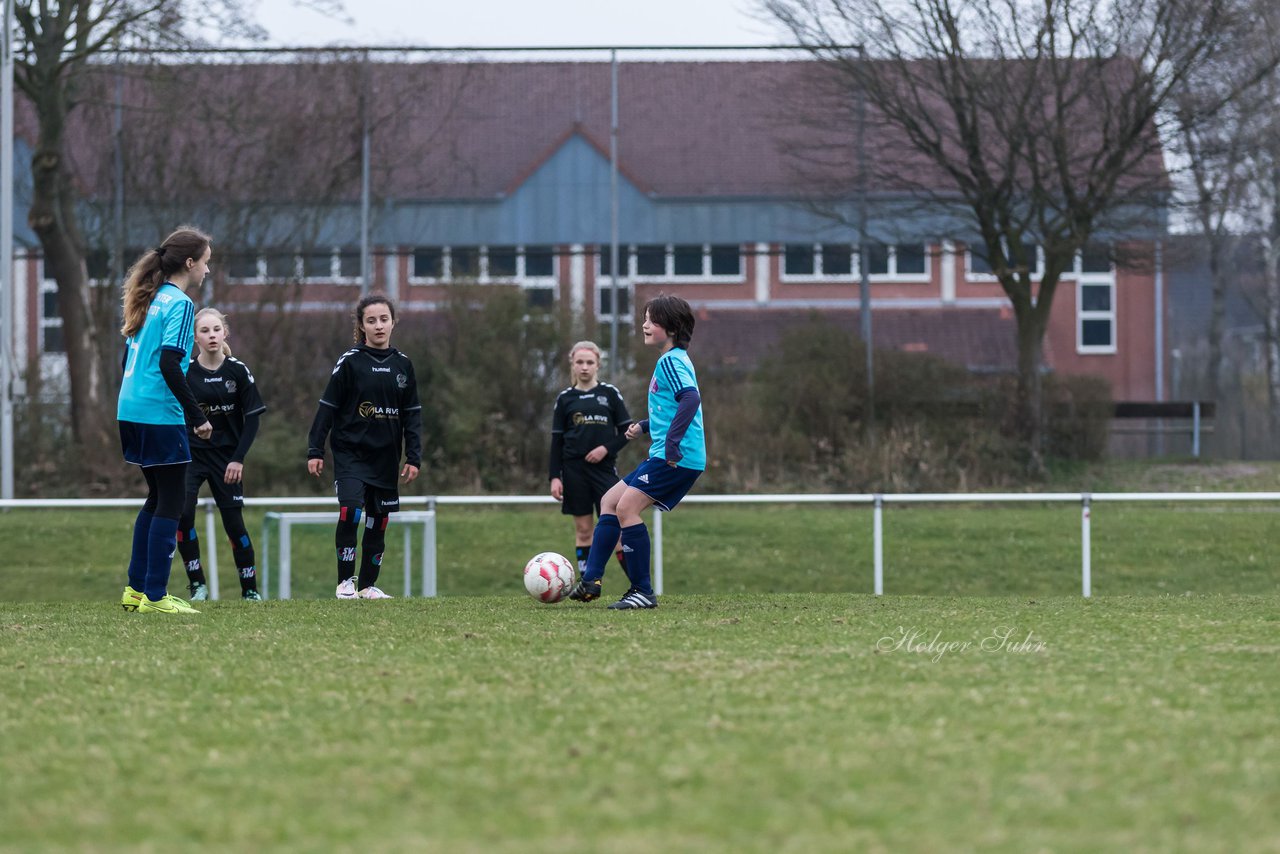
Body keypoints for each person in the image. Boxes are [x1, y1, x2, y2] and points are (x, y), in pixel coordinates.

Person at [568, 294, 706, 609]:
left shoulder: (671, 360)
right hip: (667, 452)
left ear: (670, 327)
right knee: (609, 501)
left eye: (651, 320)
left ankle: (642, 591)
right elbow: (672, 407)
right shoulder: (674, 360)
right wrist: (645, 425)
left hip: (675, 457)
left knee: (626, 509)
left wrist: (671, 445)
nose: (644, 325)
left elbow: (690, 400)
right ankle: (592, 580)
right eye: (644, 318)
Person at [117, 227, 214, 615]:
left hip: (130, 408)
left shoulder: (149, 297)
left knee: (157, 498)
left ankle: (136, 591)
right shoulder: (181, 303)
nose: (208, 269)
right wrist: (197, 416)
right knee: (172, 502)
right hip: (158, 413)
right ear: (190, 263)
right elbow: (170, 363)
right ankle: (156, 597)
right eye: (206, 261)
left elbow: (127, 360)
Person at [307, 295, 422, 600]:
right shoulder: (350, 362)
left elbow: (412, 413)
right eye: (371, 320)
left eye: (384, 319)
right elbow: (327, 407)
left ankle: (369, 586)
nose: (378, 325)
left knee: (378, 520)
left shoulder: (403, 365)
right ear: (361, 325)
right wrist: (315, 449)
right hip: (350, 453)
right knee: (350, 511)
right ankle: (346, 582)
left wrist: (414, 455)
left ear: (393, 322)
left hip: (385, 457)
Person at [176, 308, 267, 602]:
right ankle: (198, 585)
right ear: (195, 338)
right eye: (205, 331)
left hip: (227, 459)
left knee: (234, 524)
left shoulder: (238, 371)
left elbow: (252, 418)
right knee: (183, 515)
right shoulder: (185, 372)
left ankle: (250, 590)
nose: (211, 335)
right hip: (191, 456)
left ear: (224, 333)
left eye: (216, 329)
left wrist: (238, 458)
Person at [548, 340, 634, 580]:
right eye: (579, 362)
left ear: (598, 365)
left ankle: (638, 586)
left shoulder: (609, 394)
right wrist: (554, 476)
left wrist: (605, 449)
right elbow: (556, 442)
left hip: (604, 471)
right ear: (572, 365)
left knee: (616, 530)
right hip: (573, 471)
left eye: (589, 362)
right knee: (584, 530)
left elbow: (628, 431)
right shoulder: (565, 399)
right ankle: (588, 583)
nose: (584, 367)